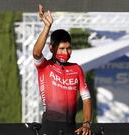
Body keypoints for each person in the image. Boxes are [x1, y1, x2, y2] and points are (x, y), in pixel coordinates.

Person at [33, 4, 92, 135]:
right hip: (49, 126)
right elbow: (36, 53)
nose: (66, 52)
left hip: (71, 127)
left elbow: (87, 99)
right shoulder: (44, 66)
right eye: (61, 48)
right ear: (51, 48)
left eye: (68, 48)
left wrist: (86, 123)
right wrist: (47, 27)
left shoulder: (77, 69)